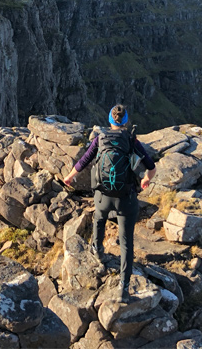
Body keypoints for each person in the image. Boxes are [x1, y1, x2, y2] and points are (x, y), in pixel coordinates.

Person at [63, 104, 156, 301]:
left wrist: (70, 177)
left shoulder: (100, 138)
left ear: (110, 121)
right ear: (126, 121)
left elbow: (84, 161)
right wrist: (146, 180)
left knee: (99, 218)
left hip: (103, 196)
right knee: (126, 242)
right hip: (126, 199)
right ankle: (124, 287)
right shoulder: (131, 140)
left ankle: (97, 250)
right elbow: (151, 167)